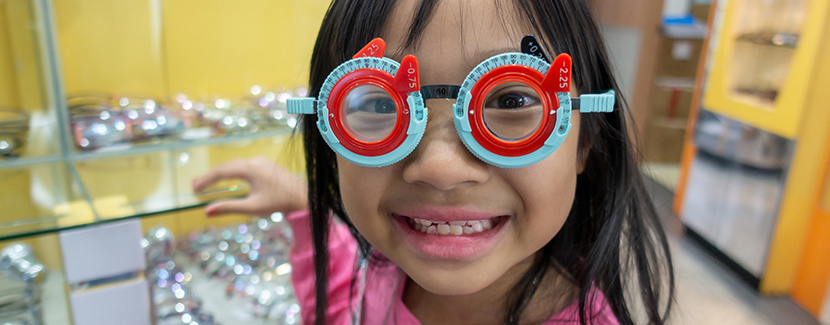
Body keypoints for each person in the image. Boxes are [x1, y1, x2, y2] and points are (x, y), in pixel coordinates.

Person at [193, 0, 674, 324]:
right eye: (380, 104)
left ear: (585, 138)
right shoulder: (386, 263)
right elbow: (348, 299)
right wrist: (305, 199)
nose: (441, 167)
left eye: (509, 102)